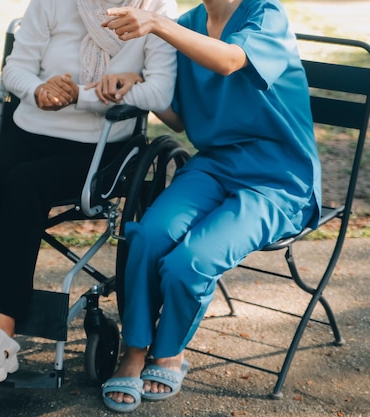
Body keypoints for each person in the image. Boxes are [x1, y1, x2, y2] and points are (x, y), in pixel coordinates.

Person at [0, 0, 177, 383]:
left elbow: (159, 93)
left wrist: (82, 97)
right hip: (31, 127)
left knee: (25, 183)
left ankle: (2, 328)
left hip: (100, 144)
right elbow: (15, 70)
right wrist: (39, 90)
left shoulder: (157, 7)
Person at [99, 0, 322, 412]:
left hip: (277, 178)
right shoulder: (188, 24)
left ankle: (168, 352)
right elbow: (181, 118)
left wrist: (157, 24)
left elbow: (229, 61)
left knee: (192, 261)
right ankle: (133, 350)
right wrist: (139, 85)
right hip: (215, 165)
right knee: (148, 236)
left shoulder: (264, 13)